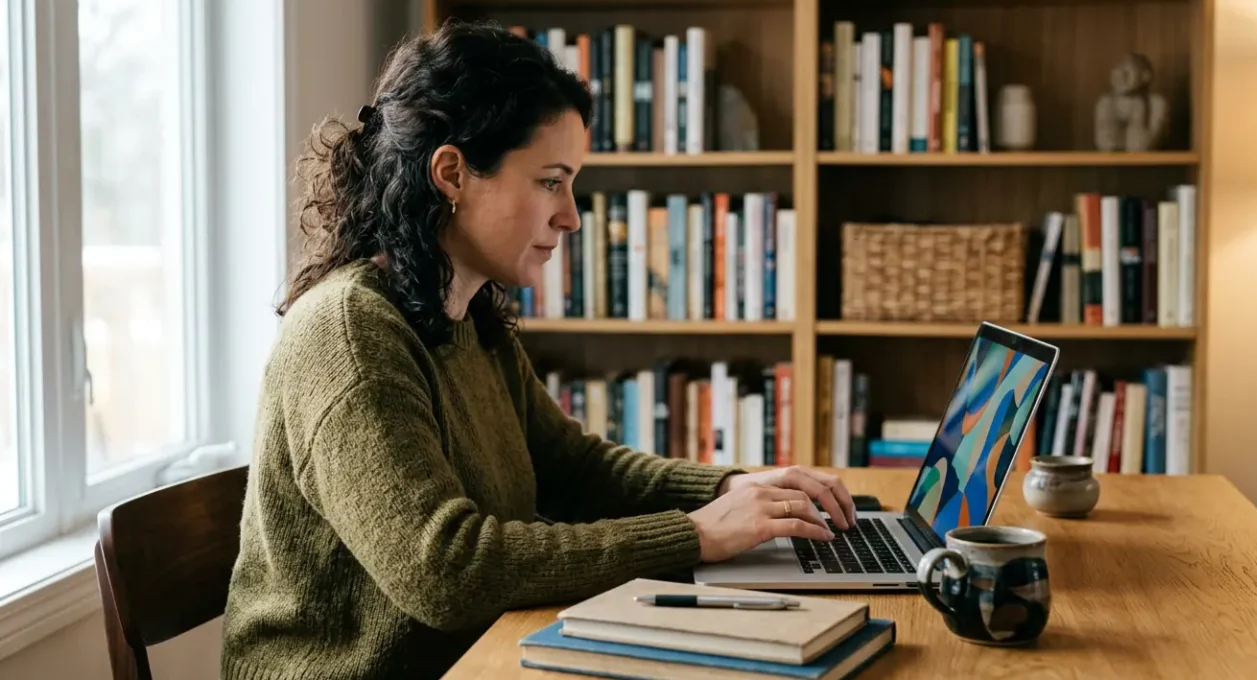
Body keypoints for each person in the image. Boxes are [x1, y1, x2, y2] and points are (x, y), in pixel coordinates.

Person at [220, 19, 856, 680]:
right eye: (551, 181)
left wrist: (734, 489)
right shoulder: (350, 332)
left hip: (479, 658)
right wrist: (697, 534)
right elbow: (446, 571)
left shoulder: (463, 312)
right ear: (452, 173)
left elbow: (571, 469)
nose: (572, 215)